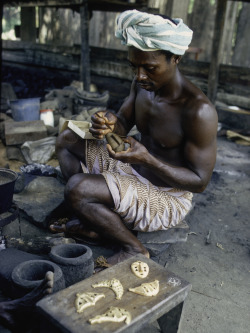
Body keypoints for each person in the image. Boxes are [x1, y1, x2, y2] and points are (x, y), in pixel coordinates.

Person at [50, 10, 218, 267]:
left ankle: (133, 247)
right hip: (131, 168)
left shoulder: (198, 111)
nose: (140, 76)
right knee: (67, 137)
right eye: (134, 66)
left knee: (77, 187)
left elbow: (199, 182)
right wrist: (106, 122)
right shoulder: (142, 85)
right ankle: (93, 221)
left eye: (150, 68)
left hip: (164, 196)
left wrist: (148, 159)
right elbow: (123, 124)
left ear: (176, 58)